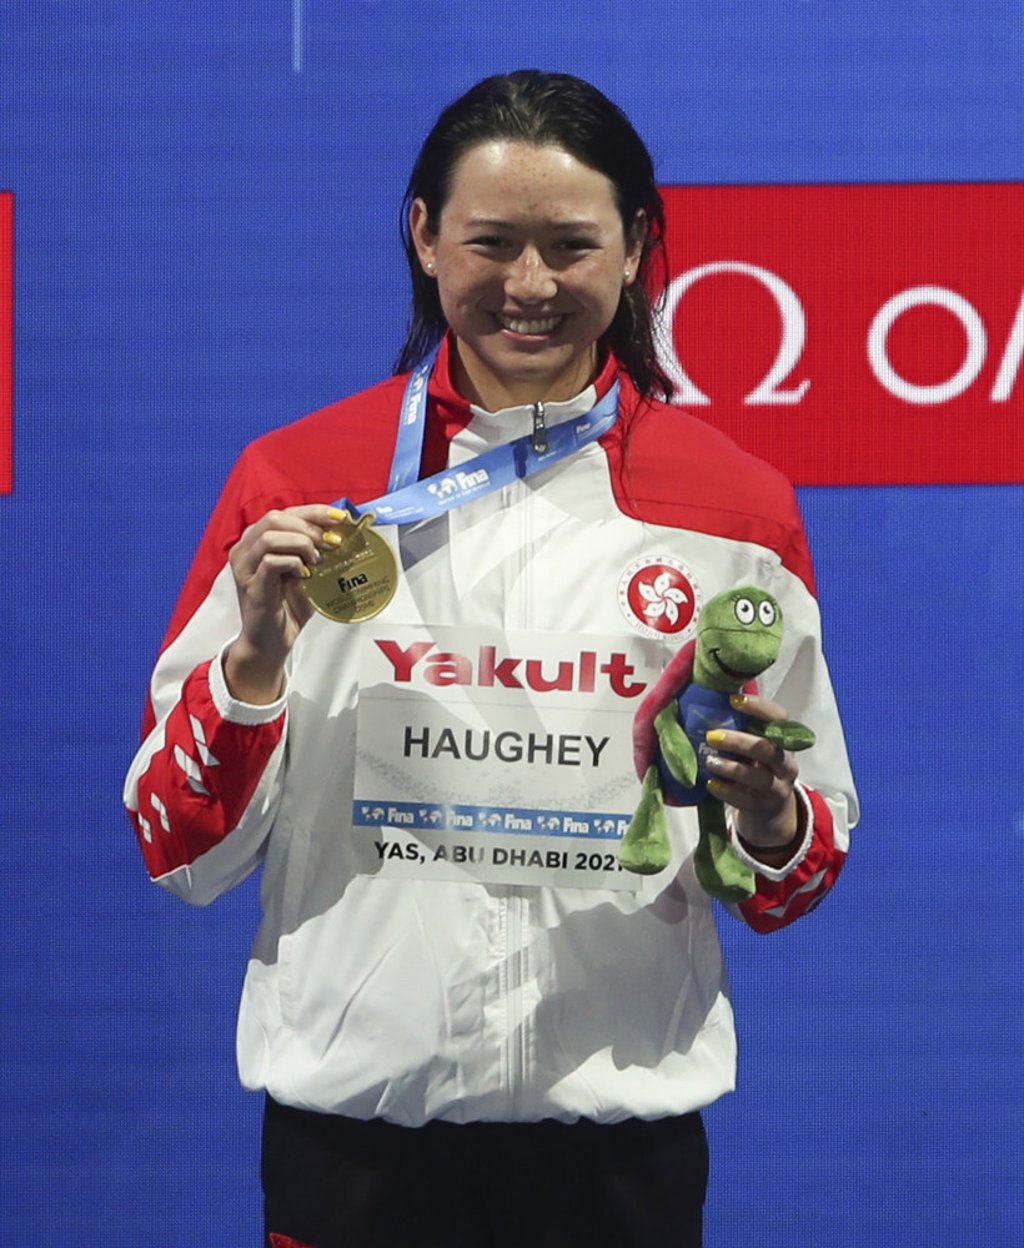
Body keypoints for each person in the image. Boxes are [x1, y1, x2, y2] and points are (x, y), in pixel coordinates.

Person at [124, 70, 857, 1248]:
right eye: (490, 241)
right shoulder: (300, 485)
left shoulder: (735, 510)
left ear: (634, 251)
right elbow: (178, 851)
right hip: (354, 1153)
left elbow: (797, 875)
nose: (530, 285)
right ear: (423, 237)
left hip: (619, 1162)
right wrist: (254, 662)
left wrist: (767, 816)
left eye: (570, 244)